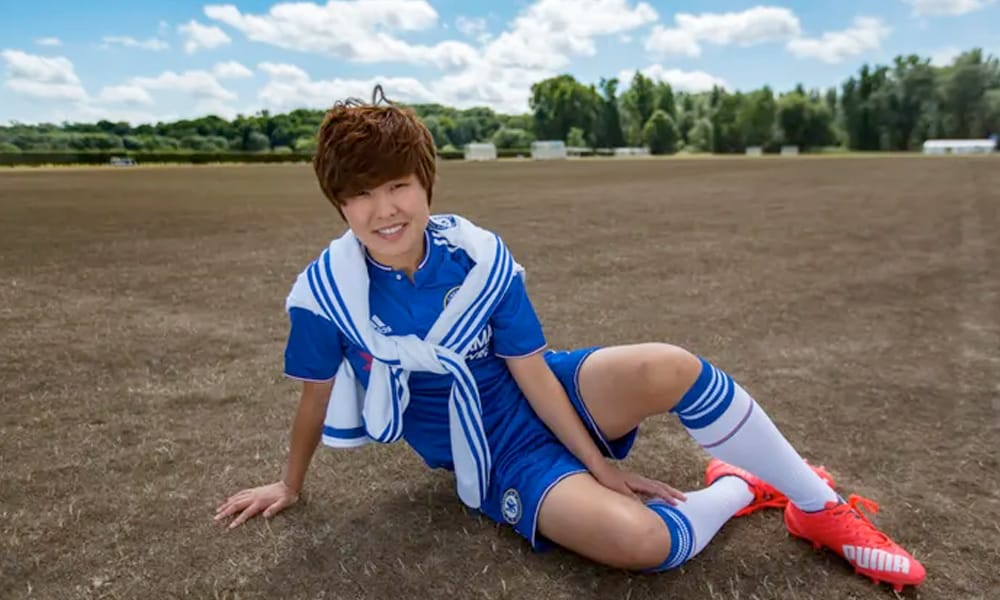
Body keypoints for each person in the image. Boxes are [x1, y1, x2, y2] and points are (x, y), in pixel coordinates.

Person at [215, 87, 925, 592]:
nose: (384, 209)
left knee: (669, 365)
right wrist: (290, 484)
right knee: (641, 542)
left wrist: (600, 465)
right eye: (361, 195)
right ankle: (740, 486)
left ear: (425, 185)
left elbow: (529, 369)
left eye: (397, 186)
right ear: (341, 205)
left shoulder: (479, 259)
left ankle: (816, 506)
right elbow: (314, 397)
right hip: (494, 454)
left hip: (546, 391)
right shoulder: (328, 295)